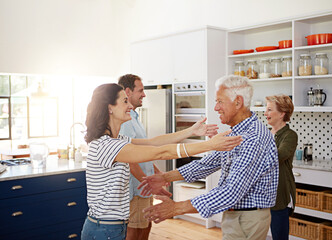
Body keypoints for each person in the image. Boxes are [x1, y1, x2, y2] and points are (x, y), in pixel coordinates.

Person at [81, 83, 242, 240]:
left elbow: (154, 142)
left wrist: (191, 131)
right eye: (124, 101)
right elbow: (161, 152)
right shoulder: (107, 145)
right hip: (104, 229)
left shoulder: (117, 140)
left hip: (113, 226)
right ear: (109, 108)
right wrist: (209, 145)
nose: (130, 105)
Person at [140, 75, 279, 240]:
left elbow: (231, 192)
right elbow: (206, 164)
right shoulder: (237, 132)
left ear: (238, 102)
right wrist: (164, 177)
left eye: (220, 101)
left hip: (246, 219)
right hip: (237, 216)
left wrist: (176, 208)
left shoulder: (254, 137)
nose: (215, 108)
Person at [118, 74, 169, 240]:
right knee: (134, 232)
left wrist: (158, 174)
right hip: (137, 189)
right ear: (127, 91)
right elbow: (131, 161)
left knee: (146, 227)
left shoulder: (135, 118)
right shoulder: (125, 121)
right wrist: (151, 185)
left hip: (143, 187)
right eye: (140, 90)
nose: (144, 95)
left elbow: (142, 153)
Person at [264, 95, 298, 240]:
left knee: (279, 236)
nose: (265, 113)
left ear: (282, 113)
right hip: (262, 193)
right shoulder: (265, 133)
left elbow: (278, 155)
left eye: (269, 109)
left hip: (279, 194)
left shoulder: (290, 135)